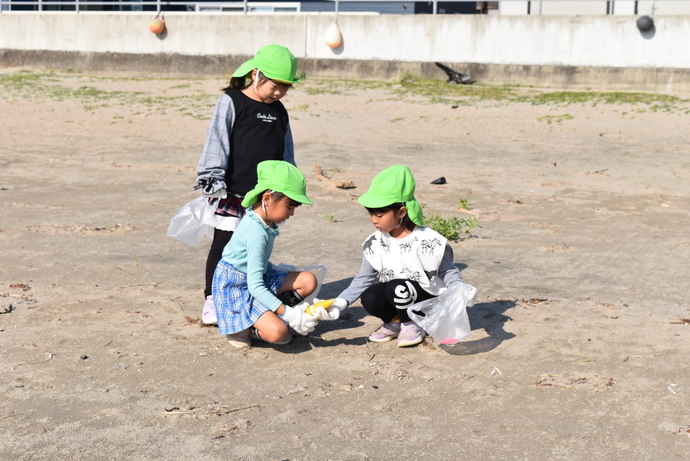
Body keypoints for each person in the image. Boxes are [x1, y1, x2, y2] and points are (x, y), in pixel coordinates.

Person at [196, 44, 301, 325]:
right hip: (231, 191)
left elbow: (285, 152)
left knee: (258, 246)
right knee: (224, 246)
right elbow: (216, 141)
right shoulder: (231, 102)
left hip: (264, 197)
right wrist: (212, 177)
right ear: (256, 74)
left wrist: (290, 183)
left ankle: (252, 294)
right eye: (275, 85)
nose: (279, 92)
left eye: (285, 87)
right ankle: (212, 299)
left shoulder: (280, 112)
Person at [325, 165, 472, 347]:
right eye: (371, 213)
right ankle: (395, 322)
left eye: (380, 214)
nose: (374, 219)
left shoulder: (428, 240)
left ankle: (413, 324)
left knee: (397, 287)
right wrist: (341, 302)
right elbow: (363, 278)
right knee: (370, 296)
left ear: (402, 212)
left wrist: (458, 287)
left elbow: (448, 270)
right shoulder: (375, 243)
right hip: (399, 295)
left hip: (427, 298)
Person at [213, 160, 321, 347]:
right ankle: (246, 327)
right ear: (267, 198)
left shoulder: (264, 221)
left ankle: (266, 311)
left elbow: (256, 263)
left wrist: (273, 268)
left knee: (308, 280)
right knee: (278, 332)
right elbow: (254, 286)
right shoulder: (256, 233)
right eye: (290, 206)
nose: (292, 213)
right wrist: (288, 313)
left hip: (257, 276)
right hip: (237, 285)